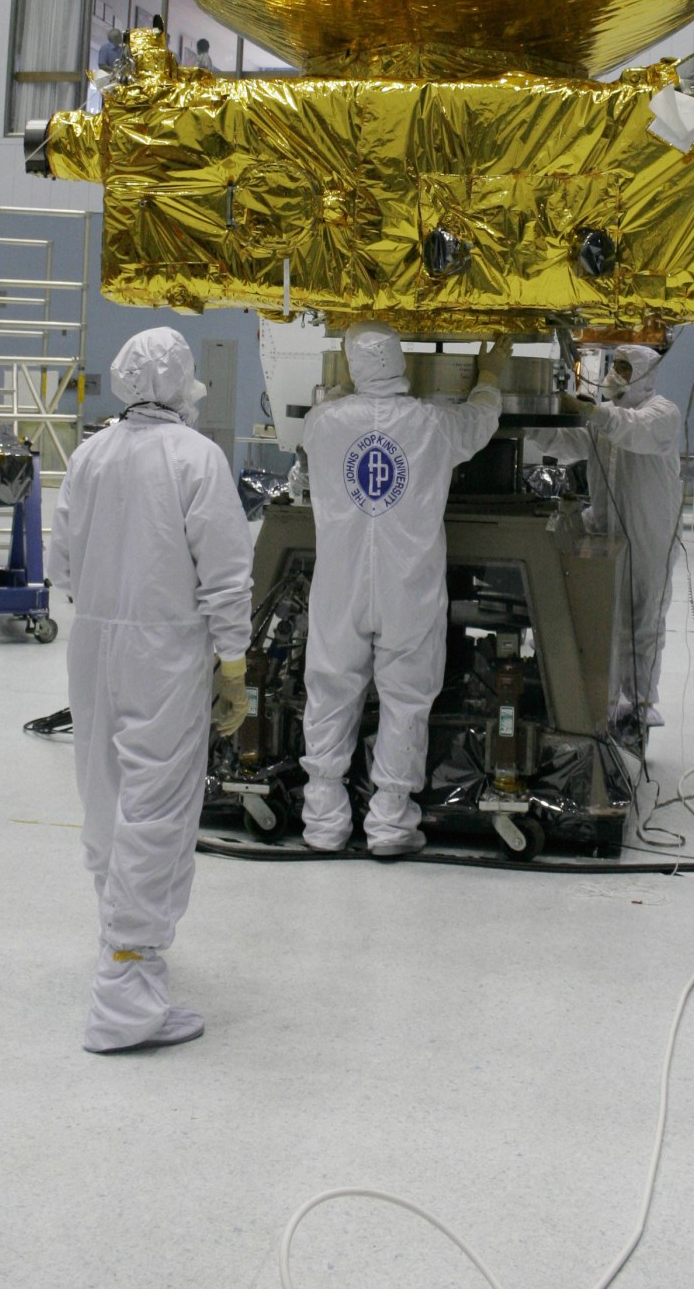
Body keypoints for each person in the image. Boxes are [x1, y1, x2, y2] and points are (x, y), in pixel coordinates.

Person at [49, 327, 254, 1053]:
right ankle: (126, 994)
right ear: (176, 381)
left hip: (95, 640)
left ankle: (118, 937)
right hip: (164, 646)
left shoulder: (92, 452)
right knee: (157, 804)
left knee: (103, 793)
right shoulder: (195, 457)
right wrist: (233, 662)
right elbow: (226, 570)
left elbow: (62, 558)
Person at [298, 324, 511, 857]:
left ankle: (323, 819)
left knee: (330, 690)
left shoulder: (323, 423)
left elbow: (331, 411)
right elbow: (481, 422)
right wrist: (488, 377)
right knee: (407, 699)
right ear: (400, 363)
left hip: (341, 586)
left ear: (351, 365)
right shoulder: (432, 423)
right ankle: (390, 822)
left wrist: (344, 391)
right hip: (407, 586)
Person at [577, 345, 683, 741]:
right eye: (614, 365)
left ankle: (638, 710)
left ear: (642, 373)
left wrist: (591, 411)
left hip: (651, 536)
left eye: (624, 367)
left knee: (644, 623)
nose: (615, 373)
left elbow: (631, 429)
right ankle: (606, 706)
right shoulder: (603, 421)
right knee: (611, 622)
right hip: (610, 535)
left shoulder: (661, 413)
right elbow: (569, 443)